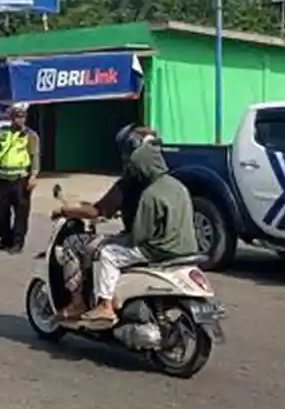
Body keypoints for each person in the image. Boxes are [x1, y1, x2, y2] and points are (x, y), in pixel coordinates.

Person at [50, 125, 197, 327]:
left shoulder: (136, 186)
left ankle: (90, 304)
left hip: (152, 246)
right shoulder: (176, 185)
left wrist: (66, 211)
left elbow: (106, 216)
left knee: (86, 247)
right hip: (182, 247)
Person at [0, 103, 40, 252]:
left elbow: (35, 156)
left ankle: (17, 243)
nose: (20, 120)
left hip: (21, 179)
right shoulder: (3, 132)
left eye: (22, 116)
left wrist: (33, 176)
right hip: (3, 178)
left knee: (21, 213)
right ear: (11, 118)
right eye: (17, 116)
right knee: (1, 212)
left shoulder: (31, 135)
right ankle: (5, 239)